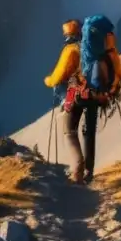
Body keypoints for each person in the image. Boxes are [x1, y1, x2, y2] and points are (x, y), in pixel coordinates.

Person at [43, 19, 96, 184]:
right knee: (88, 133)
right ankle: (88, 171)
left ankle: (77, 172)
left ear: (68, 34)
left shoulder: (71, 50)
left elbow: (58, 75)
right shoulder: (91, 49)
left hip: (74, 95)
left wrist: (48, 81)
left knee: (69, 132)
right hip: (92, 95)